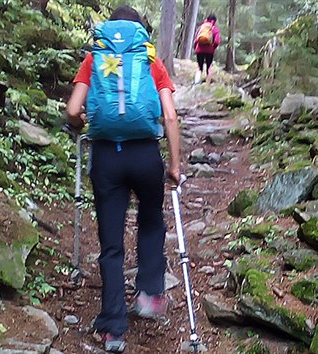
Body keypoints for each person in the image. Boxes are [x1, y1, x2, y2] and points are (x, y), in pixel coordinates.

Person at [65, 5, 181, 353]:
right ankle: (148, 293)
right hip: (146, 154)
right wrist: (174, 166)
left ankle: (114, 329)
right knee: (150, 221)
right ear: (140, 30)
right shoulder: (149, 60)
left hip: (106, 158)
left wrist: (78, 124)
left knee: (111, 243)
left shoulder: (94, 58)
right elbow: (171, 116)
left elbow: (73, 110)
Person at [194, 14, 221, 84]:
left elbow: (196, 40)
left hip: (199, 50)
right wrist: (213, 48)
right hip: (209, 51)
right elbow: (217, 41)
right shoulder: (215, 29)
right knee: (209, 68)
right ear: (214, 21)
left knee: (199, 68)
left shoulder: (201, 28)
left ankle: (196, 83)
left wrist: (196, 48)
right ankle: (207, 84)